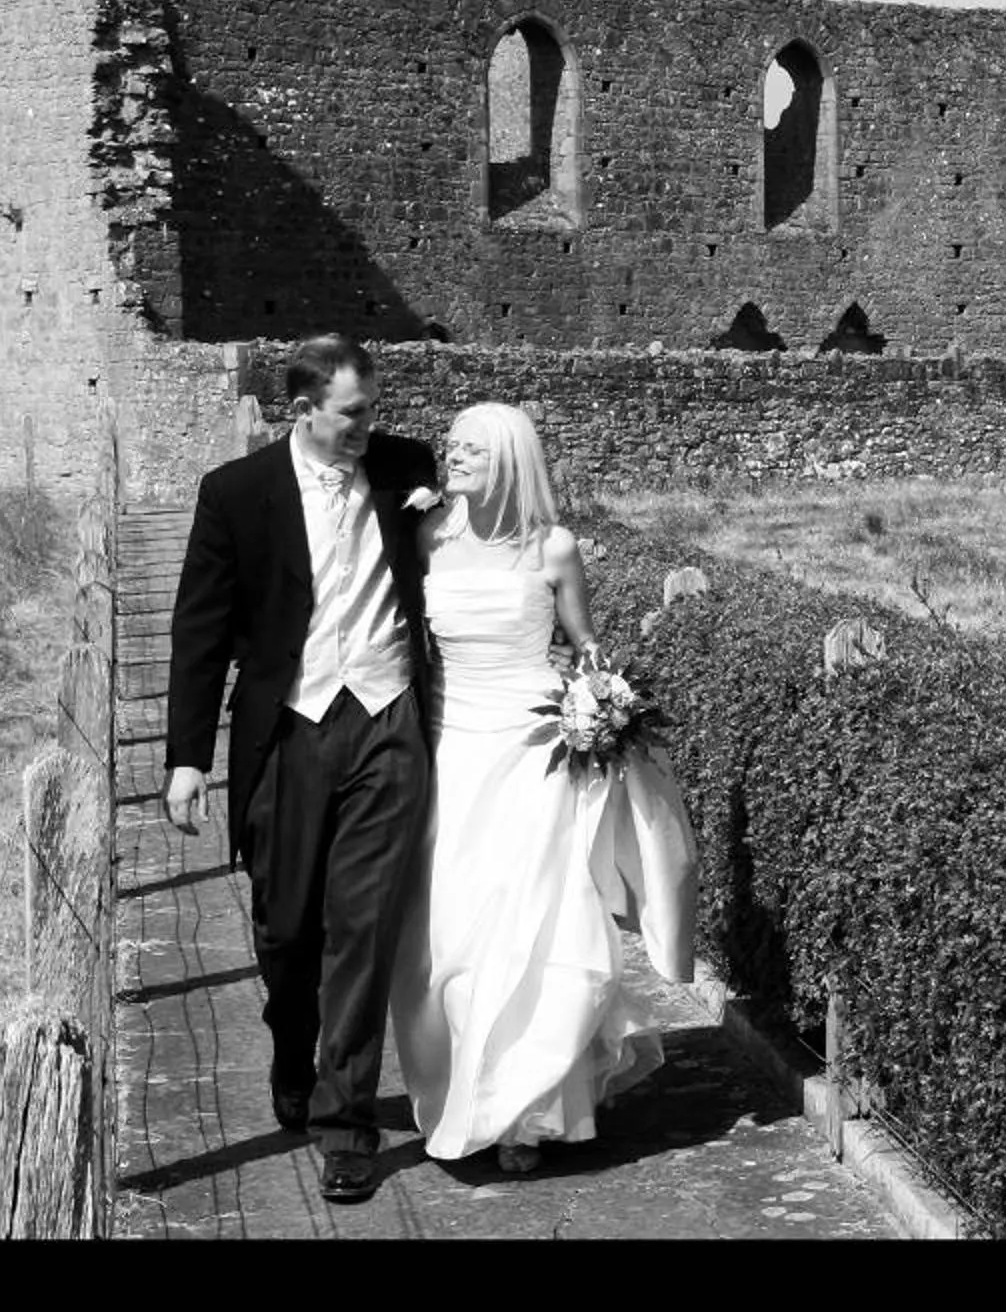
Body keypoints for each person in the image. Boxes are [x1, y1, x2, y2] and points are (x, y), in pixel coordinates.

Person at [164, 334, 437, 1205]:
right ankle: (293, 1048)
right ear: (303, 409)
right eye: (353, 413)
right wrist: (185, 759)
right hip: (287, 729)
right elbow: (200, 633)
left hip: (389, 722)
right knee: (287, 932)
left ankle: (346, 1122)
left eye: (373, 411)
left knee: (363, 928)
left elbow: (494, 510)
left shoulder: (406, 466)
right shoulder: (235, 495)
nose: (368, 427)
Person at [390, 401, 696, 1173]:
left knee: (535, 925)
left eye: (470, 451)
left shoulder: (553, 548)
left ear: (509, 461)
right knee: (454, 931)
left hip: (533, 752)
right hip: (452, 750)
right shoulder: (428, 536)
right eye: (449, 446)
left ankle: (532, 1113)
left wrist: (603, 702)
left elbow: (583, 641)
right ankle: (471, 1094)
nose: (451, 458)